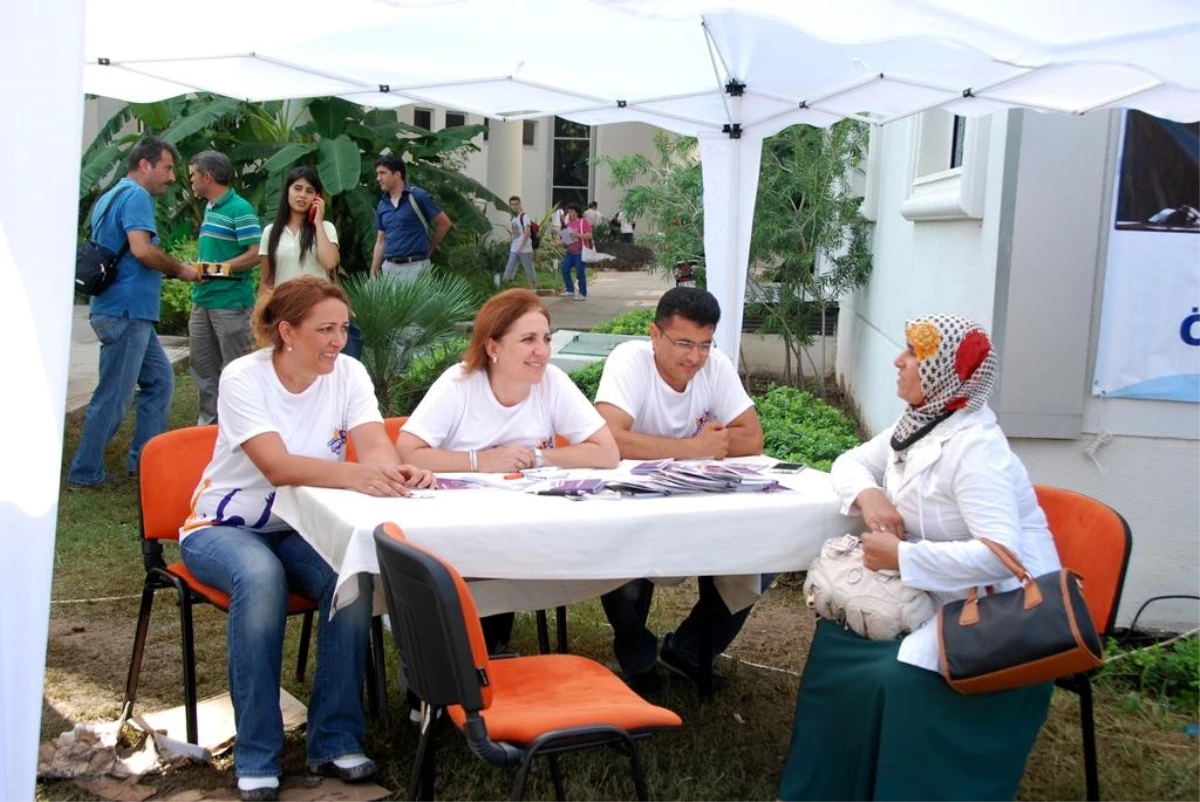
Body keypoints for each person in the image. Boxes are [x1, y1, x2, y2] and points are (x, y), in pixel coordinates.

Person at [776, 314, 1061, 802]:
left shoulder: (976, 448)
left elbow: (1002, 557)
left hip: (1001, 613)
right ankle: (825, 788)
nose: (898, 360)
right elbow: (851, 461)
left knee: (894, 675)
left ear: (945, 374)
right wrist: (871, 496)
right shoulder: (922, 423)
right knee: (835, 639)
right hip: (937, 591)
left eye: (912, 354)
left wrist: (904, 557)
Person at [180, 276, 435, 801]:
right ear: (286, 331)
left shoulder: (349, 374)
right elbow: (276, 466)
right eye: (324, 329)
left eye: (343, 328)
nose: (337, 341)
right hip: (224, 527)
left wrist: (395, 473)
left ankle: (335, 737)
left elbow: (374, 446)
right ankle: (257, 753)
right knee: (260, 576)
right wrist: (357, 475)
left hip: (303, 527)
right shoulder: (243, 378)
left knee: (352, 574)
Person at [396, 288, 620, 649]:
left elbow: (607, 451)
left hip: (527, 523)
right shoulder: (460, 384)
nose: (542, 351)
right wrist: (479, 461)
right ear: (493, 347)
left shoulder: (552, 382)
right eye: (528, 340)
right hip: (457, 529)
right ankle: (455, 668)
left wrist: (538, 457)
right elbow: (407, 450)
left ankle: (491, 655)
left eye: (546, 339)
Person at [594, 287, 766, 694]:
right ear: (655, 335)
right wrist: (692, 449)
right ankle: (637, 665)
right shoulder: (629, 361)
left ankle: (688, 651)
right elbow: (610, 440)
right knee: (622, 562)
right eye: (683, 343)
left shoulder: (715, 366)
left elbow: (752, 438)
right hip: (631, 498)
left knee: (761, 554)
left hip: (699, 499)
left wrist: (670, 451)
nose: (695, 357)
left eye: (705, 344)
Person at [68, 137, 201, 489]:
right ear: (145, 165)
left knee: (160, 381)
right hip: (125, 310)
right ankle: (85, 472)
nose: (172, 176)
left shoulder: (111, 195)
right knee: (114, 395)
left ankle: (144, 462)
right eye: (168, 167)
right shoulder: (138, 197)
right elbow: (142, 250)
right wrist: (179, 269)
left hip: (122, 310)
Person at [188, 150, 262, 425]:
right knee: (202, 369)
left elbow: (255, 253)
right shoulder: (210, 207)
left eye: (194, 175)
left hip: (231, 303)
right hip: (203, 301)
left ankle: (244, 428)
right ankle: (209, 427)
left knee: (237, 369)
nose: (191, 181)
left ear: (208, 176)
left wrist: (215, 270)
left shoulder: (240, 209)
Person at [369, 154, 451, 281]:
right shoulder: (383, 204)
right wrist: (374, 270)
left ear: (397, 175)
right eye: (378, 173)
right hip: (389, 269)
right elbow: (381, 240)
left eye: (383, 173)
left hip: (416, 268)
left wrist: (429, 249)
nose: (378, 178)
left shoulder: (418, 196)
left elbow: (444, 223)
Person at [259, 166, 339, 291]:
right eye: (297, 188)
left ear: (317, 197)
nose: (302, 195)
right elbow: (266, 282)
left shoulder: (326, 228)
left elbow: (330, 263)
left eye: (309, 191)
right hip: (283, 306)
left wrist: (318, 222)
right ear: (287, 192)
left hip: (318, 305)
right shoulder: (270, 231)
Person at [501, 195, 537, 290]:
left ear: (519, 204)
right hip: (514, 247)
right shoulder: (513, 217)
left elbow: (527, 232)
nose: (514, 206)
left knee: (528, 269)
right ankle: (504, 288)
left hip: (525, 248)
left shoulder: (524, 216)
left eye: (516, 204)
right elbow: (515, 233)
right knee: (509, 267)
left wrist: (521, 246)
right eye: (512, 204)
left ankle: (534, 288)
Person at [559, 203, 591, 301]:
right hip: (570, 252)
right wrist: (560, 243)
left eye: (572, 211)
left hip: (580, 252)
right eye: (568, 212)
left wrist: (577, 235)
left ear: (577, 212)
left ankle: (582, 293)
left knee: (580, 272)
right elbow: (566, 240)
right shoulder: (568, 225)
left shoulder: (583, 222)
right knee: (564, 269)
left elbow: (589, 235)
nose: (570, 213)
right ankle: (570, 289)